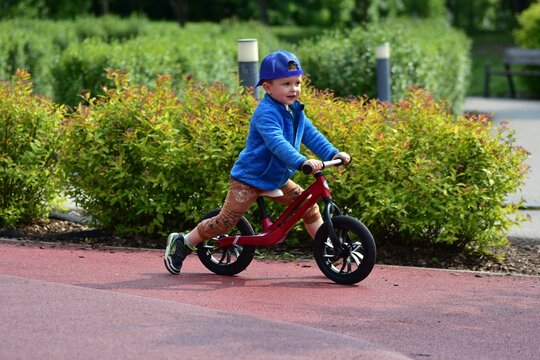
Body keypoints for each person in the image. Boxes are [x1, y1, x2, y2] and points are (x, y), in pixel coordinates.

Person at [164, 49, 350, 275]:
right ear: (268, 87)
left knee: (309, 207)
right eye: (286, 84)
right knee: (224, 223)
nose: (293, 89)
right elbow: (277, 143)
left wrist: (333, 153)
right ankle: (183, 242)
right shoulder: (266, 113)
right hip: (249, 179)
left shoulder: (295, 111)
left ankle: (328, 251)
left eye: (297, 82)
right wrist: (301, 161)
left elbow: (312, 135)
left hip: (277, 178)